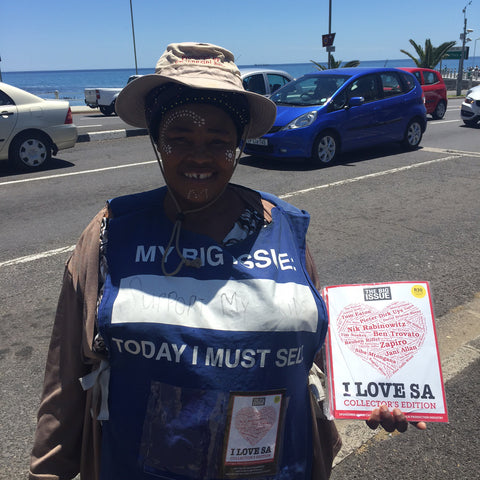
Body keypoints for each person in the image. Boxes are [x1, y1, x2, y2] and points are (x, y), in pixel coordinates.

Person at [29, 42, 425, 480]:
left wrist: (377, 393)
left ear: (238, 145)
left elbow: (317, 347)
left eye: (219, 141)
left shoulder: (284, 228)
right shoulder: (109, 232)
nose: (199, 155)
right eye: (179, 139)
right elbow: (65, 384)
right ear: (158, 142)